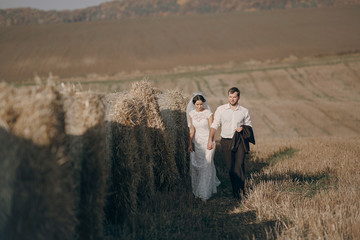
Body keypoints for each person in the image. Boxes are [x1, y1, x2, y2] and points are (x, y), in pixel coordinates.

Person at [207, 87, 255, 200]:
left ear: (238, 97)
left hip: (239, 141)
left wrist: (242, 128)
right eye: (230, 97)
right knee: (231, 167)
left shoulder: (244, 111)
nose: (232, 99)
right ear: (228, 96)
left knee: (239, 165)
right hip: (226, 141)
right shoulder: (221, 109)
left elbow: (249, 126)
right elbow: (214, 125)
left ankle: (241, 191)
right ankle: (235, 190)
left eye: (234, 97)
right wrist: (210, 139)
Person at [186, 92, 220, 202]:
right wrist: (190, 144)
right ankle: (198, 190)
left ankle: (204, 194)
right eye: (197, 104)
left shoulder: (208, 114)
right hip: (198, 143)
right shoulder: (191, 114)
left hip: (208, 142)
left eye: (201, 104)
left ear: (204, 103)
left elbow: (212, 128)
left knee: (207, 165)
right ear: (194, 104)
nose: (199, 106)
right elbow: (192, 130)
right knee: (199, 166)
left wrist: (210, 141)